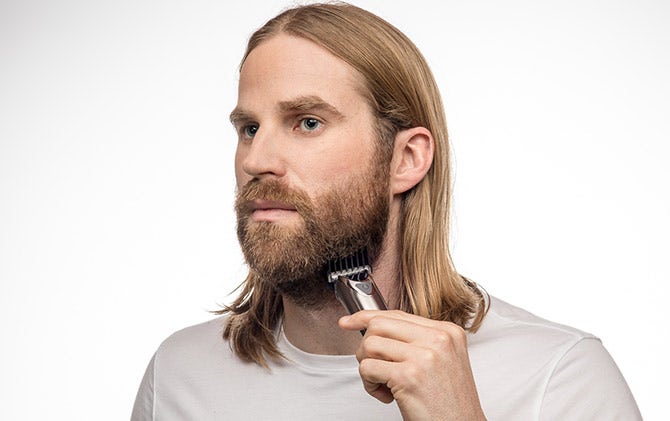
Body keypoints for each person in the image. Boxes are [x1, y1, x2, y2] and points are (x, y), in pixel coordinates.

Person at [131, 3, 641, 420]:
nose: (256, 160)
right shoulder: (179, 374)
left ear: (406, 160)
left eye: (307, 122)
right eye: (249, 128)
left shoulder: (559, 378)